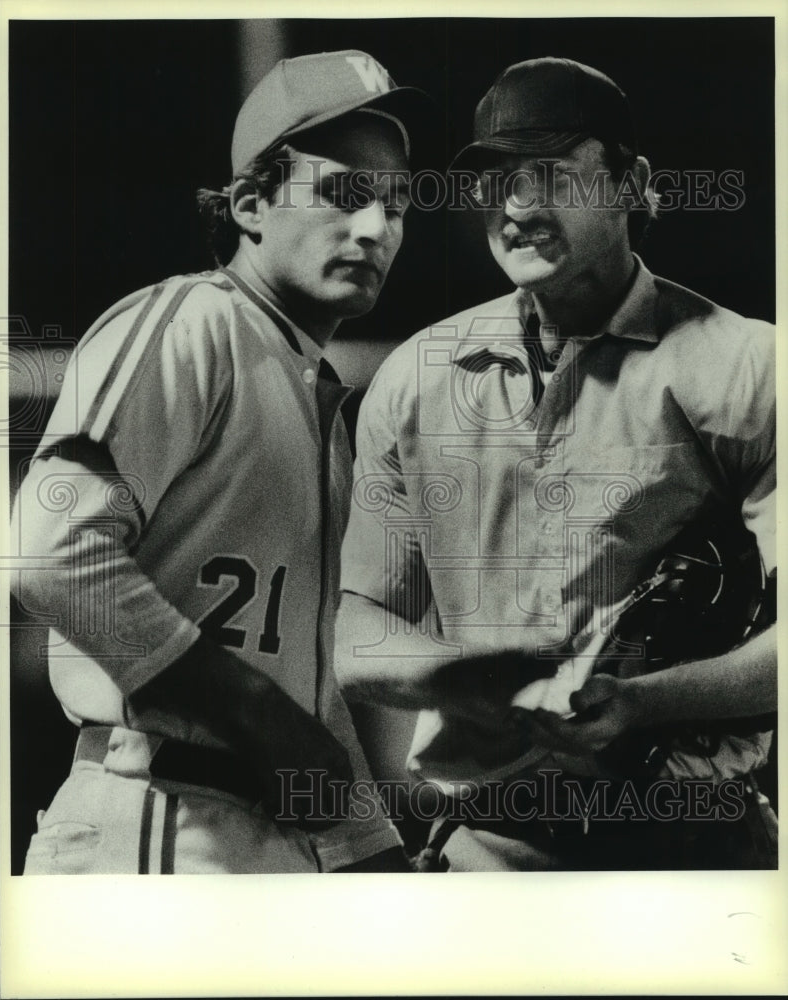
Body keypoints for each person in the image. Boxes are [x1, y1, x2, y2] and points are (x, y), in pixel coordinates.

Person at [335, 57, 777, 871]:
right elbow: (356, 631)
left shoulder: (748, 366)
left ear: (631, 183)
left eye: (550, 174)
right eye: (497, 180)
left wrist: (640, 702)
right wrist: (472, 679)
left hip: (693, 850)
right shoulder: (416, 376)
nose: (516, 206)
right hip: (489, 848)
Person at [11, 49, 431, 874]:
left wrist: (372, 856)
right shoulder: (193, 320)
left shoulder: (319, 404)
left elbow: (311, 704)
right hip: (152, 809)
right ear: (249, 203)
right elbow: (49, 552)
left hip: (266, 840)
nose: (376, 229)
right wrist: (255, 713)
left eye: (396, 204)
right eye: (344, 193)